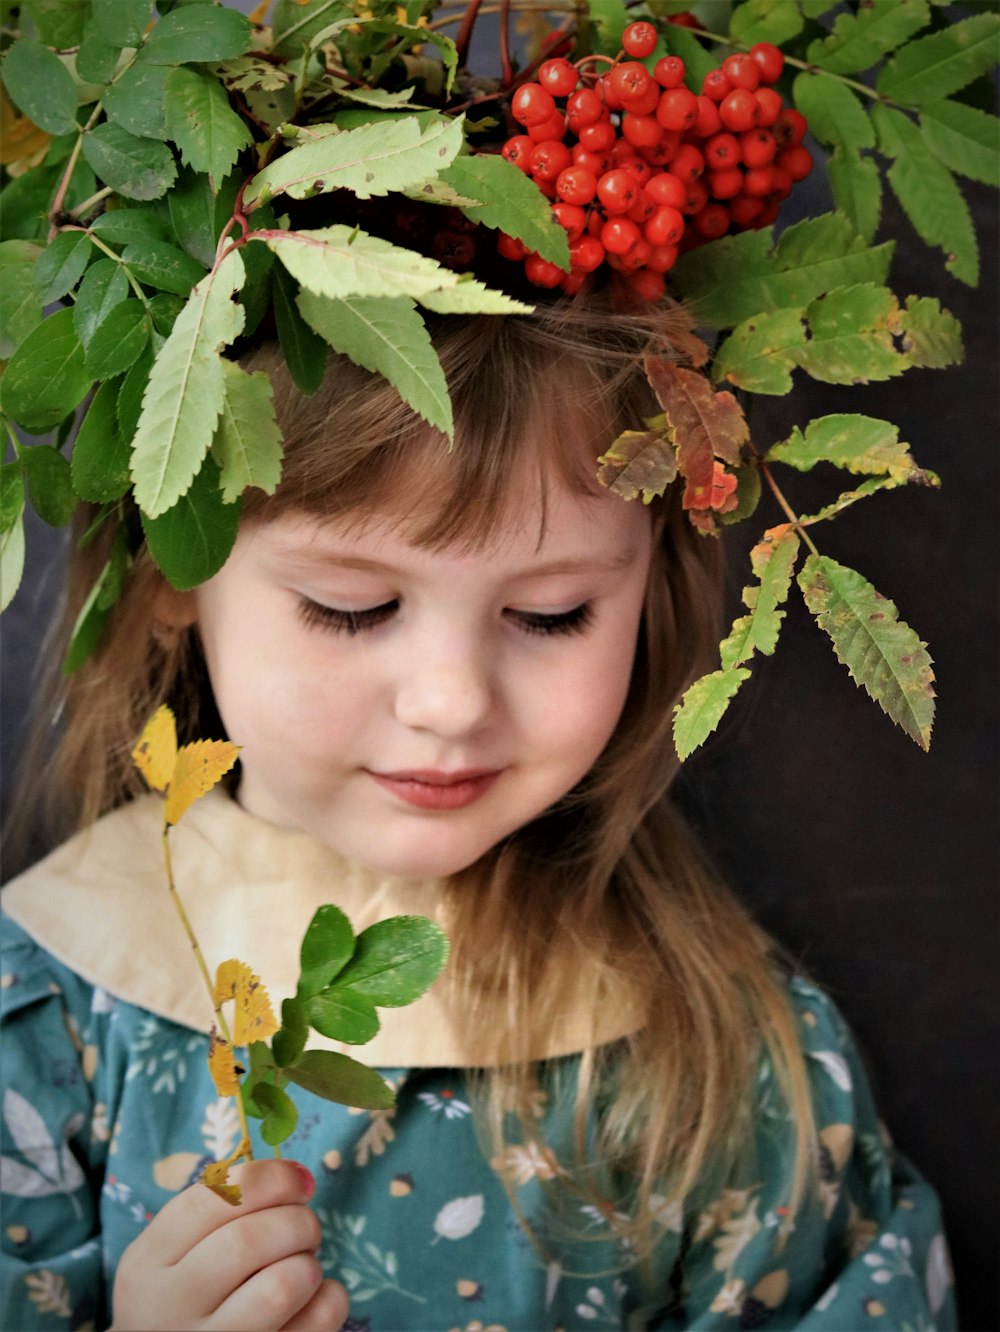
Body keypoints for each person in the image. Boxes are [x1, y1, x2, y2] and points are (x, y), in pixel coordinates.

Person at [1, 304, 955, 1330]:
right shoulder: (46, 1017)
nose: (451, 701)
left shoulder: (728, 1060)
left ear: (651, 589)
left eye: (551, 615)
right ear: (167, 566)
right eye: (351, 606)